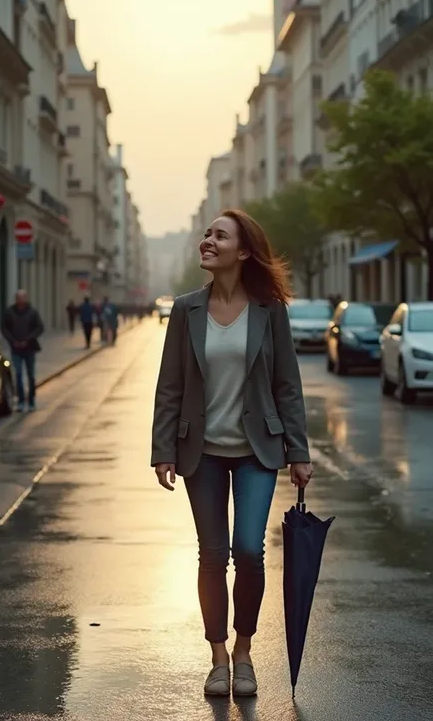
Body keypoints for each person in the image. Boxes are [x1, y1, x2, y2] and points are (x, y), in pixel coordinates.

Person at [151, 209, 312, 699]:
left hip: (255, 451)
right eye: (206, 233)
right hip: (200, 451)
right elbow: (170, 385)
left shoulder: (269, 310)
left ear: (242, 251)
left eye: (219, 235)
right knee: (212, 554)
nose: (207, 240)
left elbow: (287, 385)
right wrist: (163, 450)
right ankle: (218, 656)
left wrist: (298, 450)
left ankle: (244, 651)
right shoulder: (186, 309)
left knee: (248, 548)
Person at [1, 289, 44, 412]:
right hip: (16, 349)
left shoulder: (32, 312)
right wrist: (12, 340)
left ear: (26, 298)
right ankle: (20, 401)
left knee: (31, 376)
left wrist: (29, 339)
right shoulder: (9, 312)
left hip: (29, 348)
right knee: (18, 375)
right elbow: (4, 328)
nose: (20, 300)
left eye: (23, 297)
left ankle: (31, 401)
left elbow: (40, 327)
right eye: (18, 297)